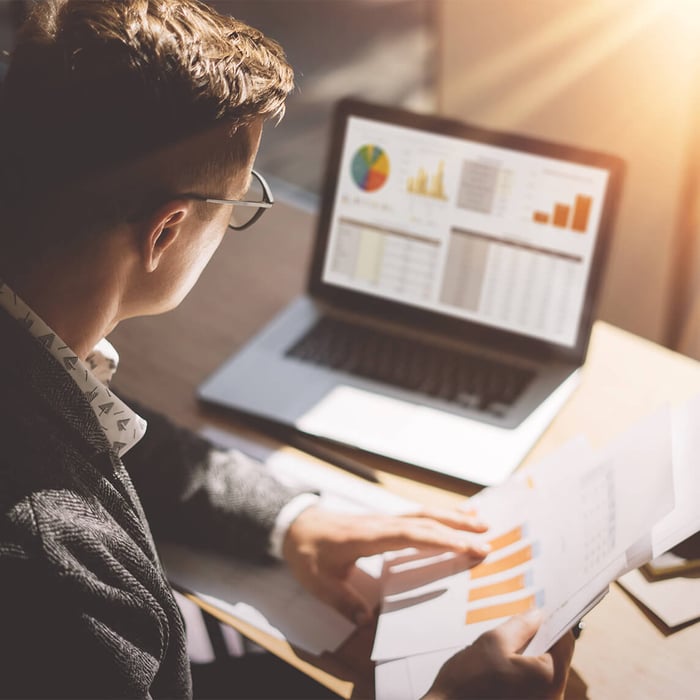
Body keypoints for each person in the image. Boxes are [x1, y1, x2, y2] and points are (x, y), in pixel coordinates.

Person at [0, 0, 573, 697]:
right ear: (165, 233)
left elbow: (94, 428)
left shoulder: (35, 363)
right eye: (239, 204)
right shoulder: (59, 575)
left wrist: (290, 518)